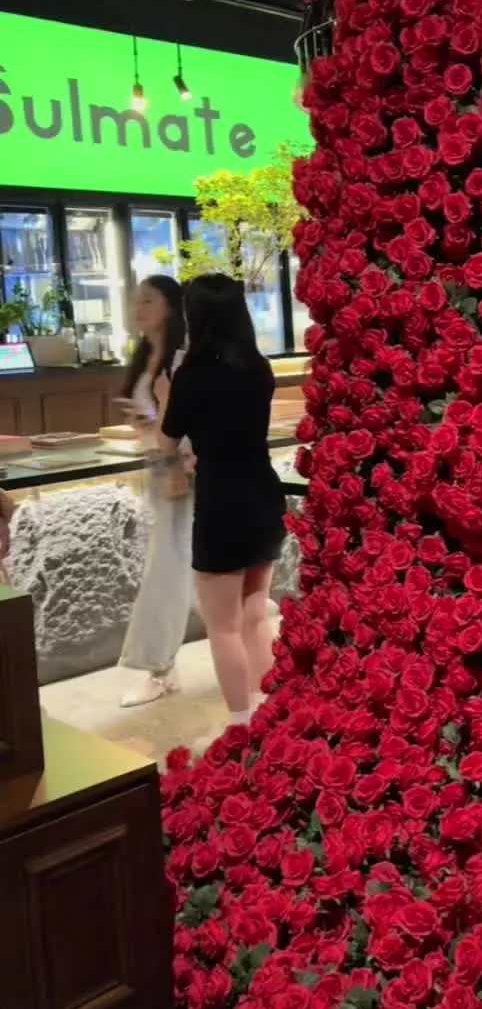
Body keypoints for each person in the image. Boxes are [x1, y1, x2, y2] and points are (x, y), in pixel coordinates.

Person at [158, 274, 285, 728]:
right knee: (254, 617)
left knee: (224, 626)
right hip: (264, 495)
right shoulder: (259, 368)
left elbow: (166, 441)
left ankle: (241, 724)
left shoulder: (192, 375)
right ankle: (274, 717)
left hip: (221, 502)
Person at [117, 275, 193, 708]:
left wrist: (173, 456)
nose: (138, 308)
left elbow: (185, 422)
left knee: (167, 570)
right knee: (178, 569)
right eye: (136, 301)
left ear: (170, 306)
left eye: (148, 300)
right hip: (159, 472)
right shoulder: (146, 356)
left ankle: (159, 669)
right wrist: (143, 423)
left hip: (181, 475)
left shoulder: (182, 357)